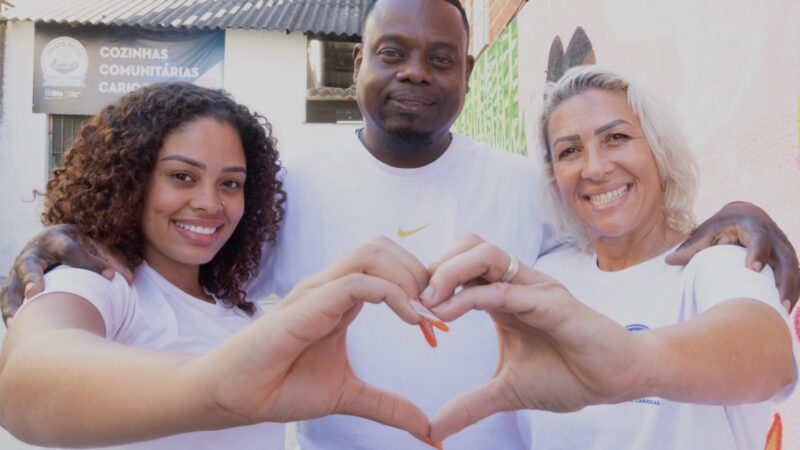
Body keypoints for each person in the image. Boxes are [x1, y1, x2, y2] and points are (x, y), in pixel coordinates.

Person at [1, 0, 798, 448]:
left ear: (467, 72)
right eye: (392, 53)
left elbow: (637, 244)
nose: (415, 72)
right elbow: (186, 274)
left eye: (440, 57)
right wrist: (72, 242)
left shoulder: (531, 189)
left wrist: (736, 216)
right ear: (360, 64)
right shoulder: (283, 190)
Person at [0, 82, 438, 449]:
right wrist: (215, 388)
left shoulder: (245, 318)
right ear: (130, 179)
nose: (210, 203)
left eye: (230, 183)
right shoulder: (103, 281)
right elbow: (24, 379)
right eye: (182, 176)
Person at [420, 66, 796, 449]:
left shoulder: (718, 264)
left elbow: (771, 356)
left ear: (659, 149)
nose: (595, 168)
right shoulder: (548, 275)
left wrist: (632, 363)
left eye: (616, 138)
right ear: (553, 178)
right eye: (570, 151)